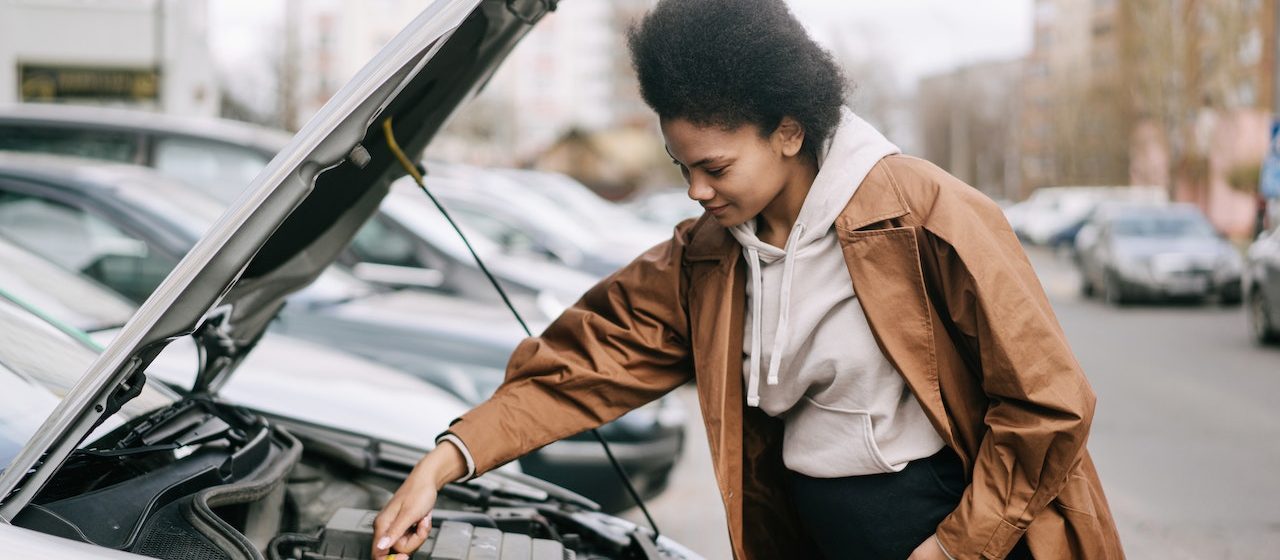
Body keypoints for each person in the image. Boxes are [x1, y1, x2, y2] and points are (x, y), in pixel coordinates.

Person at [372, 1, 1124, 558]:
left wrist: (957, 547)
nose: (696, 190)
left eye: (716, 166)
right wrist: (444, 460)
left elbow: (1048, 402)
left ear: (789, 130)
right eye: (682, 167)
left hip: (933, 535)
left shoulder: (926, 215)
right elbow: (585, 362)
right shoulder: (708, 253)